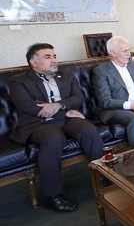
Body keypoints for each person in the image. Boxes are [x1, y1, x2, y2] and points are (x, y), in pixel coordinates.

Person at [9, 43, 104, 212]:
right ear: (34, 62)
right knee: (54, 138)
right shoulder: (19, 80)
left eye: (54, 56)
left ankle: (103, 176)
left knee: (88, 129)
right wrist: (64, 112)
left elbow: (78, 98)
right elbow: (27, 106)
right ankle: (53, 196)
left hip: (67, 118)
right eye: (48, 57)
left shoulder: (66, 75)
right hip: (38, 123)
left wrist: (59, 105)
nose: (54, 60)